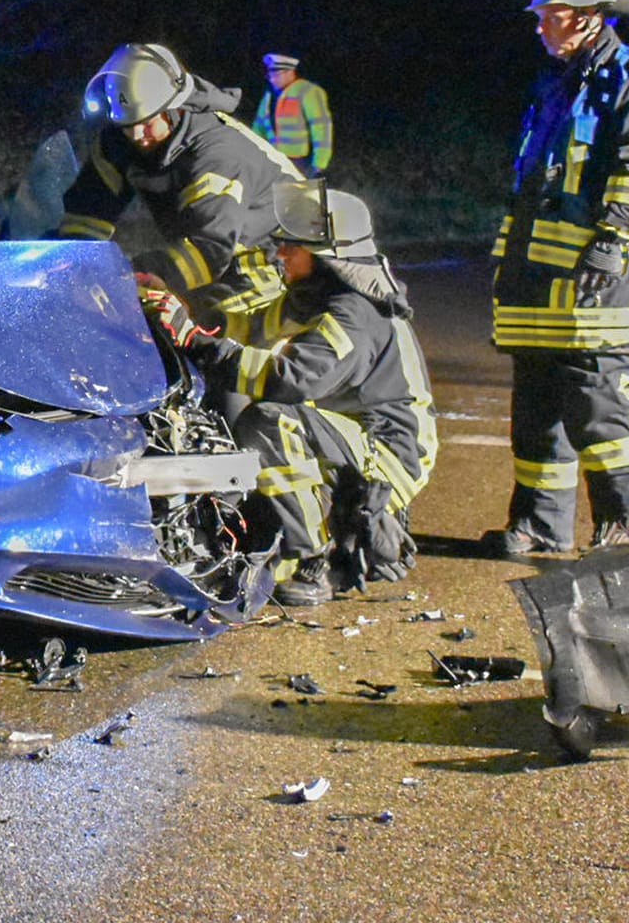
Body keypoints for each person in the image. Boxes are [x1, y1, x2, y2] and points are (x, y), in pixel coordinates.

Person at [486, 0, 629, 556]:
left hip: (596, 277)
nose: (542, 25)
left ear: (592, 16)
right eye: (541, 15)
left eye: (554, 15)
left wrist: (614, 235)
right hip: (537, 276)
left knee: (597, 404)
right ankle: (539, 524)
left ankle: (616, 525)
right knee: (537, 406)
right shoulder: (554, 82)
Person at [208, 182, 439, 605]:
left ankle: (313, 559)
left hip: (389, 450)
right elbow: (252, 327)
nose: (281, 255)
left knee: (268, 420)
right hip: (360, 434)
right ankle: (316, 526)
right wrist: (182, 314)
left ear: (323, 255)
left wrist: (207, 352)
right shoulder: (323, 294)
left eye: (290, 247)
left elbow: (292, 379)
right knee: (271, 422)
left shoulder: (353, 312)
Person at [59, 43, 306, 337]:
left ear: (173, 109)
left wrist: (127, 278)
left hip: (266, 269)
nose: (137, 136)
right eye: (128, 125)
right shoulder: (123, 138)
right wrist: (66, 265)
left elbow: (209, 249)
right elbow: (87, 212)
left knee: (194, 339)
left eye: (147, 123)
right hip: (216, 262)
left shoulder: (216, 154)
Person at [251, 53, 333, 178]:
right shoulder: (269, 97)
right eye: (269, 75)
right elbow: (258, 129)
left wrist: (319, 163)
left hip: (301, 162)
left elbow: (321, 128)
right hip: (275, 161)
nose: (272, 79)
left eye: (276, 75)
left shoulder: (307, 91)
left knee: (296, 197)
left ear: (290, 72)